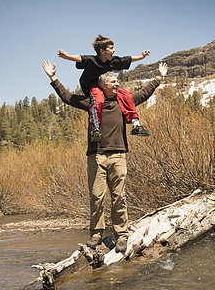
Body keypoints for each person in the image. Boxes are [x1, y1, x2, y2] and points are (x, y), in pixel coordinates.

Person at [42, 59, 168, 255]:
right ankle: (96, 234)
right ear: (103, 85)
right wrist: (53, 77)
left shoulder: (124, 100)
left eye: (117, 81)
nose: (117, 84)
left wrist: (159, 77)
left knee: (119, 197)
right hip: (97, 156)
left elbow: (144, 93)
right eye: (113, 82)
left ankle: (122, 236)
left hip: (118, 155)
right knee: (96, 197)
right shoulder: (91, 102)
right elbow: (67, 97)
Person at [57, 35, 150, 143]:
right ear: (102, 51)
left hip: (106, 87)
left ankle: (136, 125)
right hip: (92, 86)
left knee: (126, 95)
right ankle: (95, 129)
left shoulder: (113, 61)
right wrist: (66, 56)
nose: (114, 50)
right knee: (98, 99)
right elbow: (79, 58)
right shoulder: (92, 60)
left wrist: (142, 57)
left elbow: (128, 59)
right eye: (111, 48)